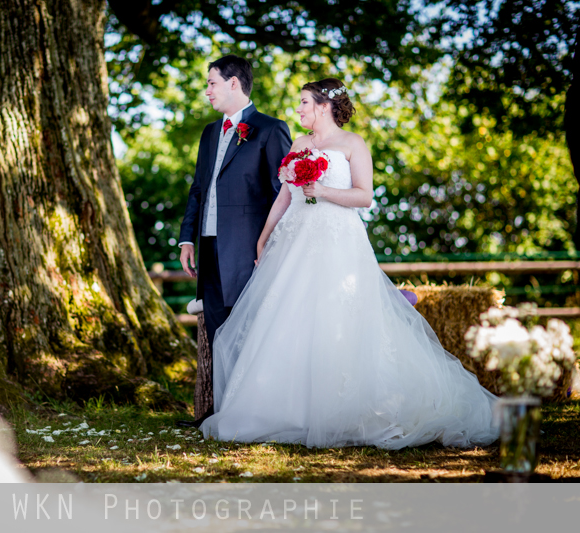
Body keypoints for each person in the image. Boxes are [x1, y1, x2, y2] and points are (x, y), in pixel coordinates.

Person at [199, 79, 499, 449]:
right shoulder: (298, 145)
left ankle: (348, 408)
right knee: (291, 317)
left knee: (338, 317)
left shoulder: (353, 144)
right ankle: (287, 409)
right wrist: (264, 235)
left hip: (337, 241)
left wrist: (323, 191)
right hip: (294, 241)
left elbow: (365, 196)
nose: (299, 110)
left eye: (305, 103)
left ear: (324, 106)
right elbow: (283, 197)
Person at [176, 55, 292, 427]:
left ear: (233, 84)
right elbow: (199, 188)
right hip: (207, 247)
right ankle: (220, 414)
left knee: (249, 331)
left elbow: (284, 194)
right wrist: (186, 239)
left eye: (212, 83)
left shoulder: (271, 130)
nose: (207, 90)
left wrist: (272, 246)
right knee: (216, 331)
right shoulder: (210, 133)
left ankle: (255, 415)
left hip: (248, 251)